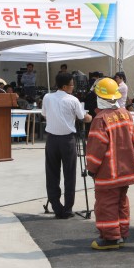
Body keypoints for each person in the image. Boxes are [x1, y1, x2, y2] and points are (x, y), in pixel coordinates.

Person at [85, 78, 134, 249]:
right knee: (122, 202)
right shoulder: (125, 114)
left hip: (108, 172)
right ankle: (122, 233)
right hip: (126, 170)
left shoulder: (100, 119)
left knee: (106, 204)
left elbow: (96, 148)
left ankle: (110, 238)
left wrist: (91, 168)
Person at [43, 72, 92, 219]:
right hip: (67, 140)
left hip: (51, 139)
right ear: (65, 86)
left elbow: (45, 114)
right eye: (71, 85)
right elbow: (83, 117)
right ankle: (68, 208)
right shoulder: (73, 100)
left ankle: (56, 206)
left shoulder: (47, 97)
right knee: (69, 174)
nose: (73, 87)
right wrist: (89, 117)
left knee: (52, 174)